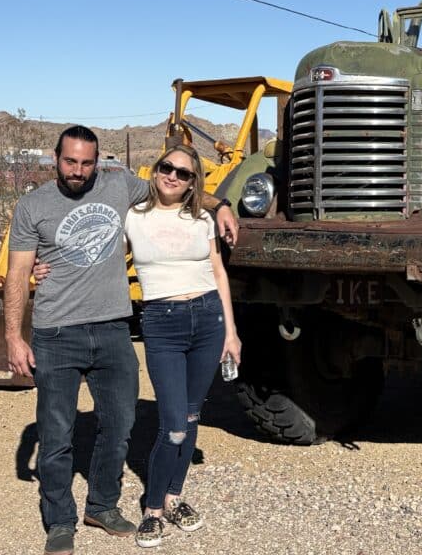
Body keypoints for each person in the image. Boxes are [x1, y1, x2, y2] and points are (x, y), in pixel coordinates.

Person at [5, 126, 237, 555]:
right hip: (56, 331)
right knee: (57, 433)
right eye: (69, 161)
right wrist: (14, 339)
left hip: (113, 327)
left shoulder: (118, 185)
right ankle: (60, 521)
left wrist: (221, 204)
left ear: (98, 161)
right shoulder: (32, 205)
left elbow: (177, 191)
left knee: (119, 425)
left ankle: (102, 505)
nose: (77, 170)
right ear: (56, 158)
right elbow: (18, 274)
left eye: (86, 162)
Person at [125, 144, 241, 548]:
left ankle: (174, 498)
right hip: (162, 323)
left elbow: (218, 271)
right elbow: (100, 257)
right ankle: (152, 508)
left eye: (183, 173)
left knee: (192, 417)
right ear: (156, 170)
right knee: (172, 425)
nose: (172, 176)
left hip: (208, 318)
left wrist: (231, 332)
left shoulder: (202, 219)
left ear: (194, 182)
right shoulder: (134, 216)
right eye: (166, 167)